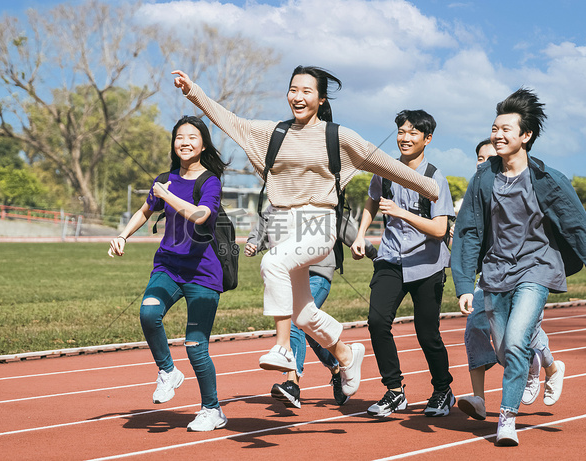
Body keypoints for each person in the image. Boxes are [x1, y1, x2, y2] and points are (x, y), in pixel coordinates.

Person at [173, 66, 439, 400]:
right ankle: (345, 354)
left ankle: (283, 348)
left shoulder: (338, 137)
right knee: (302, 312)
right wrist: (193, 91)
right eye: (293, 90)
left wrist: (428, 187)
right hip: (283, 224)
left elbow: (388, 164)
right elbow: (227, 119)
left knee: (272, 264)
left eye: (306, 91)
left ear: (321, 98)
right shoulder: (271, 133)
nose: (298, 97)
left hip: (318, 221)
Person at [452, 88, 586, 446]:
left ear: (526, 136)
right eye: (495, 128)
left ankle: (506, 421)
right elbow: (469, 231)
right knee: (506, 350)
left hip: (536, 268)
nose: (498, 134)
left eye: (507, 129)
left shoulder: (546, 179)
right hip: (495, 273)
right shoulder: (484, 179)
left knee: (519, 338)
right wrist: (464, 283)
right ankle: (535, 366)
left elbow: (578, 226)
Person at [108, 116, 229, 432]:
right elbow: (145, 210)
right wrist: (123, 235)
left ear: (203, 144)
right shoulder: (165, 179)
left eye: (192, 137)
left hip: (203, 273)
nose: (185, 142)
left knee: (195, 345)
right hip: (168, 266)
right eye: (179, 137)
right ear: (173, 143)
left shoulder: (210, 181)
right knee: (148, 313)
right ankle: (167, 371)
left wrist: (167, 195)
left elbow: (200, 216)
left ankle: (211, 409)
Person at [352, 110, 455, 418]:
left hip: (427, 264)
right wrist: (360, 234)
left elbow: (440, 229)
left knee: (427, 333)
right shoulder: (385, 170)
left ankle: (442, 390)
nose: (405, 138)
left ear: (427, 139)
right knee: (377, 321)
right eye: (401, 132)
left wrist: (402, 213)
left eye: (413, 133)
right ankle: (395, 391)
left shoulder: (435, 177)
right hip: (390, 259)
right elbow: (373, 200)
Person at [457, 139, 561, 421]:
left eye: (489, 157)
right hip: (489, 275)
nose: (484, 162)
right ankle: (479, 398)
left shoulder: (519, 188)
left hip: (528, 271)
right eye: (480, 157)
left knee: (522, 332)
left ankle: (548, 366)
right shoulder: (478, 191)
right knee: (475, 327)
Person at [246, 213, 377, 408]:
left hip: (318, 271)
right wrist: (254, 242)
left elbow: (346, 229)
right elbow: (266, 225)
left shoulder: (321, 196)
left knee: (295, 320)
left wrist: (374, 253)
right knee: (307, 324)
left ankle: (292, 383)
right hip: (289, 268)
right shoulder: (279, 200)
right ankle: (337, 364)